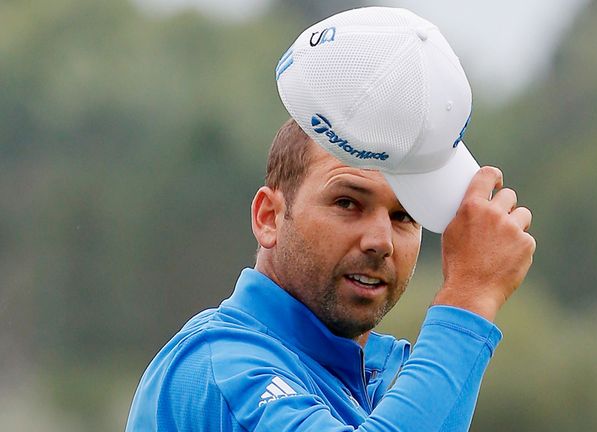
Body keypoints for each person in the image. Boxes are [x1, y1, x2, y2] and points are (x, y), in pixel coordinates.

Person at [126, 7, 535, 432]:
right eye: (347, 203)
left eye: (404, 216)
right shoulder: (224, 370)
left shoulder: (381, 378)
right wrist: (468, 298)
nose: (380, 240)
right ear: (269, 217)